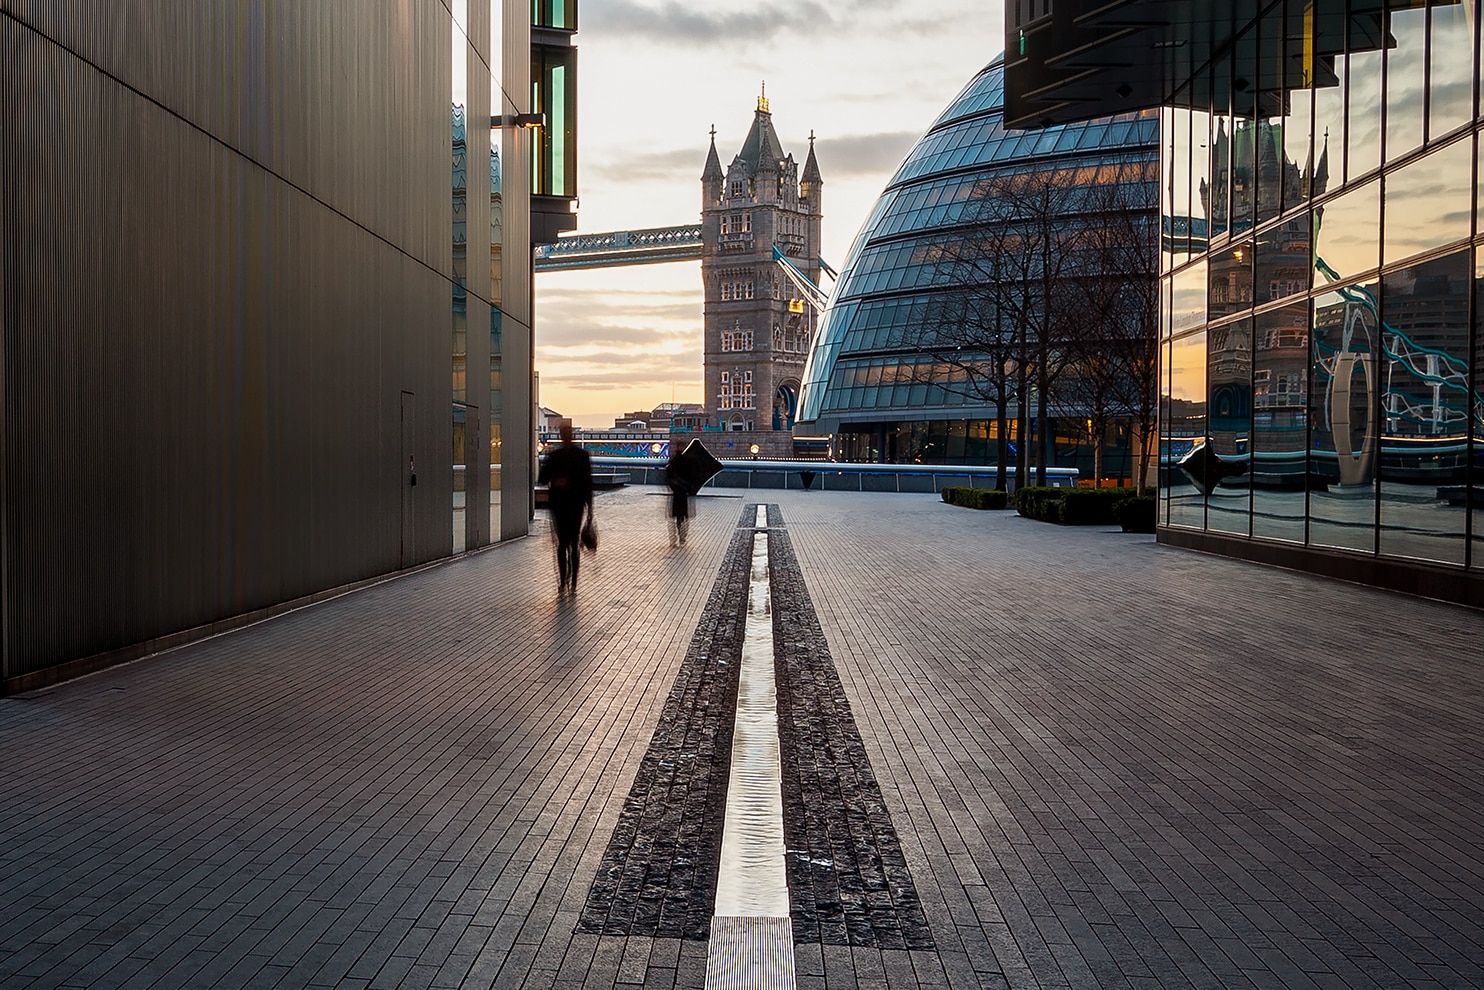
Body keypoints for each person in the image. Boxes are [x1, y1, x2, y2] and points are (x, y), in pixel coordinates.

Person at [537, 423, 594, 593]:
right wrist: (590, 508)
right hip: (575, 505)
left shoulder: (554, 456)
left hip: (559, 505)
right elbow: (588, 483)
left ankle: (563, 581)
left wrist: (557, 481)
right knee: (573, 542)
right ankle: (573, 582)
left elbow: (542, 478)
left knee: (562, 544)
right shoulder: (582, 456)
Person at [664, 452, 693, 545]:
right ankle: (681, 536)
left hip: (677, 495)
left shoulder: (673, 462)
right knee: (682, 517)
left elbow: (668, 476)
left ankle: (676, 537)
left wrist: (673, 486)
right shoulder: (687, 463)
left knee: (676, 516)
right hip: (682, 494)